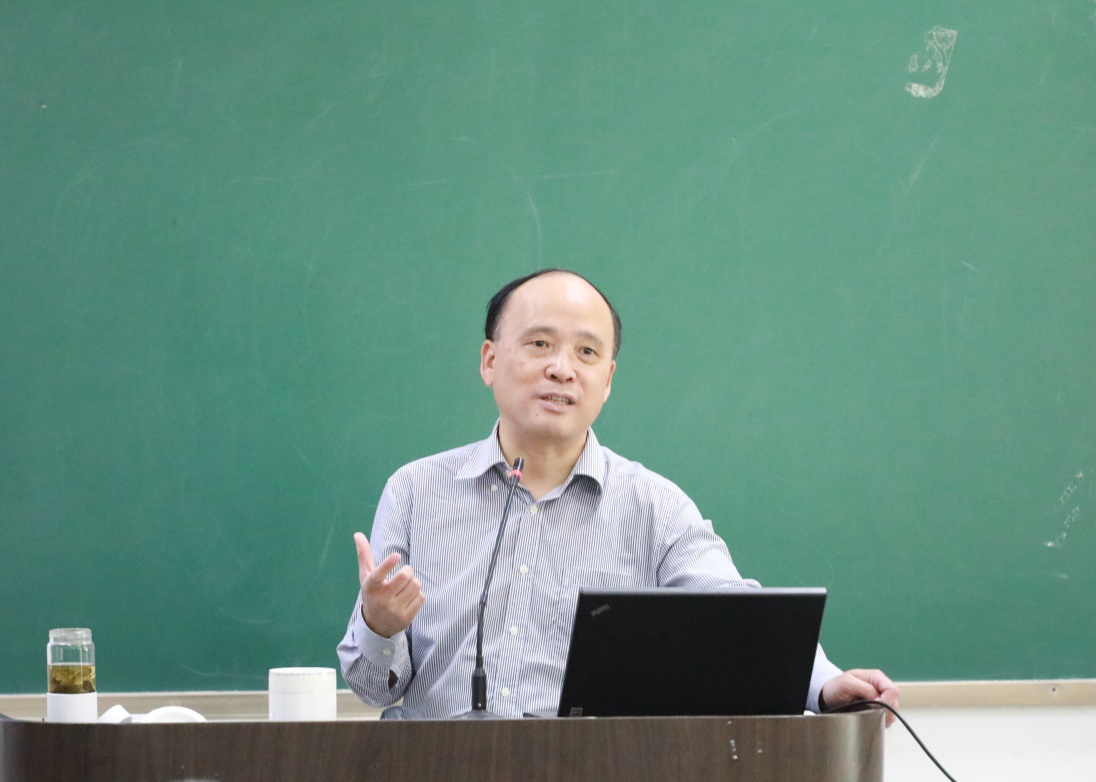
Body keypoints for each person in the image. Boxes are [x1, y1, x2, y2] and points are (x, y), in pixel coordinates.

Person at [338, 268, 900, 722]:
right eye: (540, 344)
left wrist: (824, 685)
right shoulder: (416, 490)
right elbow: (372, 688)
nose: (562, 369)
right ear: (489, 360)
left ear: (607, 380)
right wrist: (380, 624)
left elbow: (737, 617)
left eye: (586, 353)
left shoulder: (654, 506)